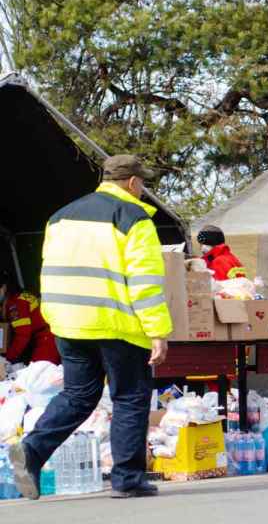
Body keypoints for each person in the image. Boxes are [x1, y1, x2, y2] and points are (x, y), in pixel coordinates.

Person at [10, 154, 173, 500]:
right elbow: (144, 283)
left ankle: (32, 451)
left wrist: (55, 317)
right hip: (117, 324)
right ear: (133, 183)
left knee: (78, 395)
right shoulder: (133, 218)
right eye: (142, 183)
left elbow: (48, 271)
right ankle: (128, 479)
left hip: (69, 324)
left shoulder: (60, 217)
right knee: (130, 397)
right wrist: (157, 331)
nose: (142, 190)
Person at [1, 271, 60, 365]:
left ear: (4, 287)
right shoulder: (20, 296)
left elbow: (22, 336)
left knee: (40, 371)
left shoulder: (15, 304)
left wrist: (7, 358)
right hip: (50, 336)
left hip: (47, 340)